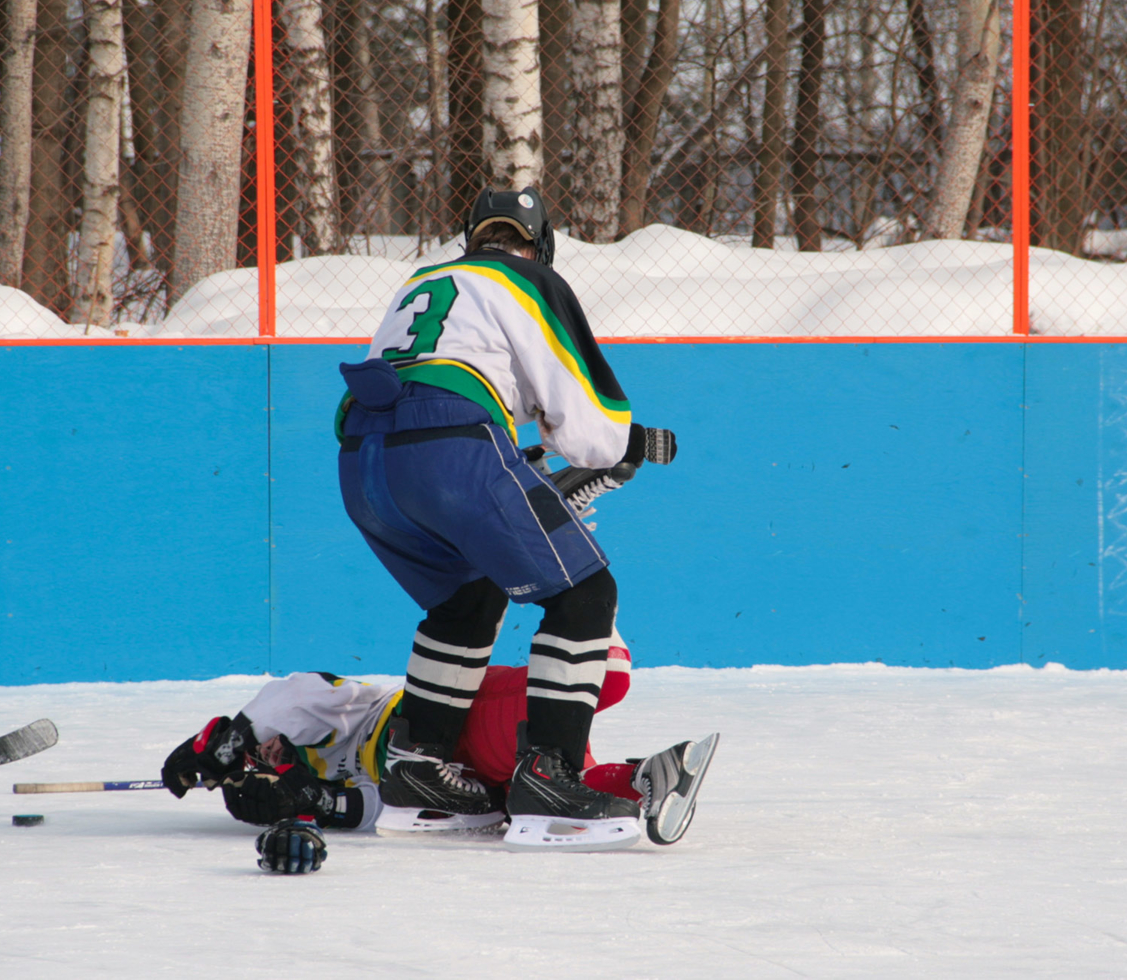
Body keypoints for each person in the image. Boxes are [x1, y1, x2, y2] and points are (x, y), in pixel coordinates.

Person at [331, 185, 675, 849]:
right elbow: (589, 426)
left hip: (362, 463)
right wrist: (630, 442)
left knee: (468, 597)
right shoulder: (527, 277)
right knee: (584, 595)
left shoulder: (425, 277)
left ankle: (417, 770)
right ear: (540, 244)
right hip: (448, 450)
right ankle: (551, 779)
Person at [160, 639, 720, 869]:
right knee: (561, 782)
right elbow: (390, 810)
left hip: (460, 721)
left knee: (609, 677)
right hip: (475, 780)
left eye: (258, 752)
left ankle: (570, 548)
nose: (269, 753)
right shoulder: (301, 780)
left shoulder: (334, 715)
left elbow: (300, 693)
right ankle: (648, 777)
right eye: (261, 762)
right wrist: (322, 805)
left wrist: (227, 743)